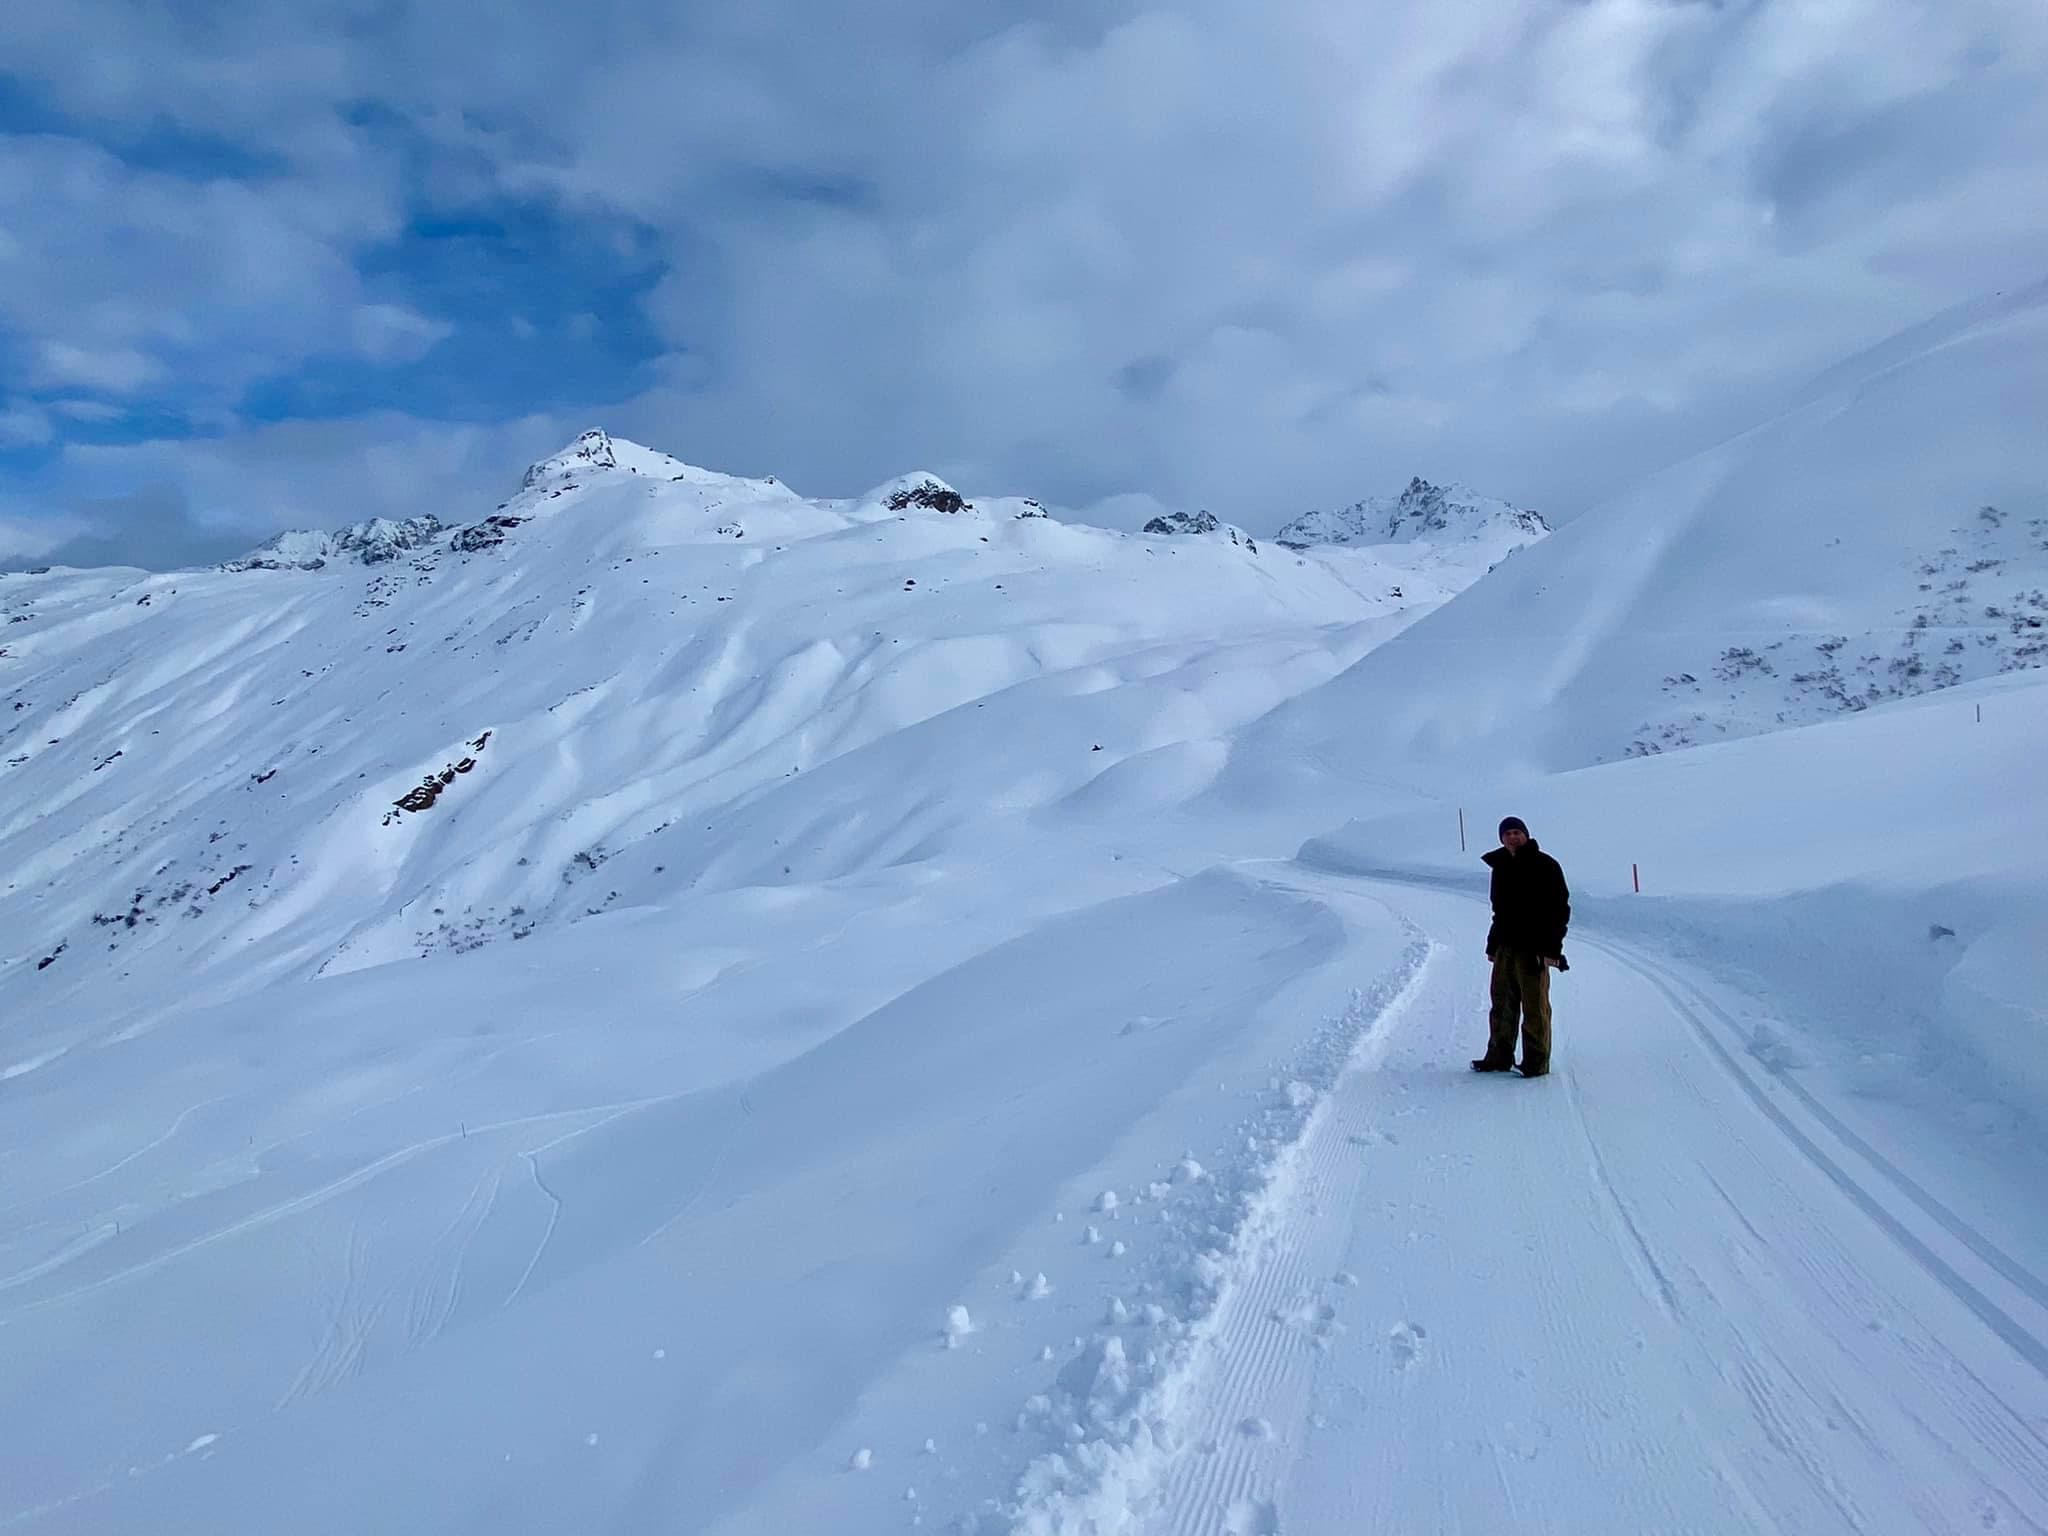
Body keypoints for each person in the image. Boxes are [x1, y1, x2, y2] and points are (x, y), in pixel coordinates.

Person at [1471, 816, 1569, 1078]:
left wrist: (1552, 949)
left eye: (1517, 832)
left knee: (1534, 1007)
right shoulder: (1501, 867)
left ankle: (1535, 1062)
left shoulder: (1546, 865)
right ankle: (1498, 1057)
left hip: (1533, 948)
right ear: (1501, 838)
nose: (1512, 837)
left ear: (1526, 835)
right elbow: (1499, 911)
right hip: (1505, 946)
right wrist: (1493, 945)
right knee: (1501, 1004)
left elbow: (1559, 910)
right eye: (1507, 834)